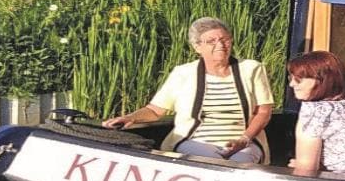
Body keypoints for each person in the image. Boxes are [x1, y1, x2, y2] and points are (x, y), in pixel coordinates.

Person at [103, 17, 274, 163]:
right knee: (211, 162)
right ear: (197, 47)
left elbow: (263, 112)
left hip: (245, 141)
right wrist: (130, 117)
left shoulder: (252, 68)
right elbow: (155, 111)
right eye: (211, 41)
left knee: (240, 163)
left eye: (225, 39)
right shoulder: (182, 73)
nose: (220, 45)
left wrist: (244, 139)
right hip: (194, 141)